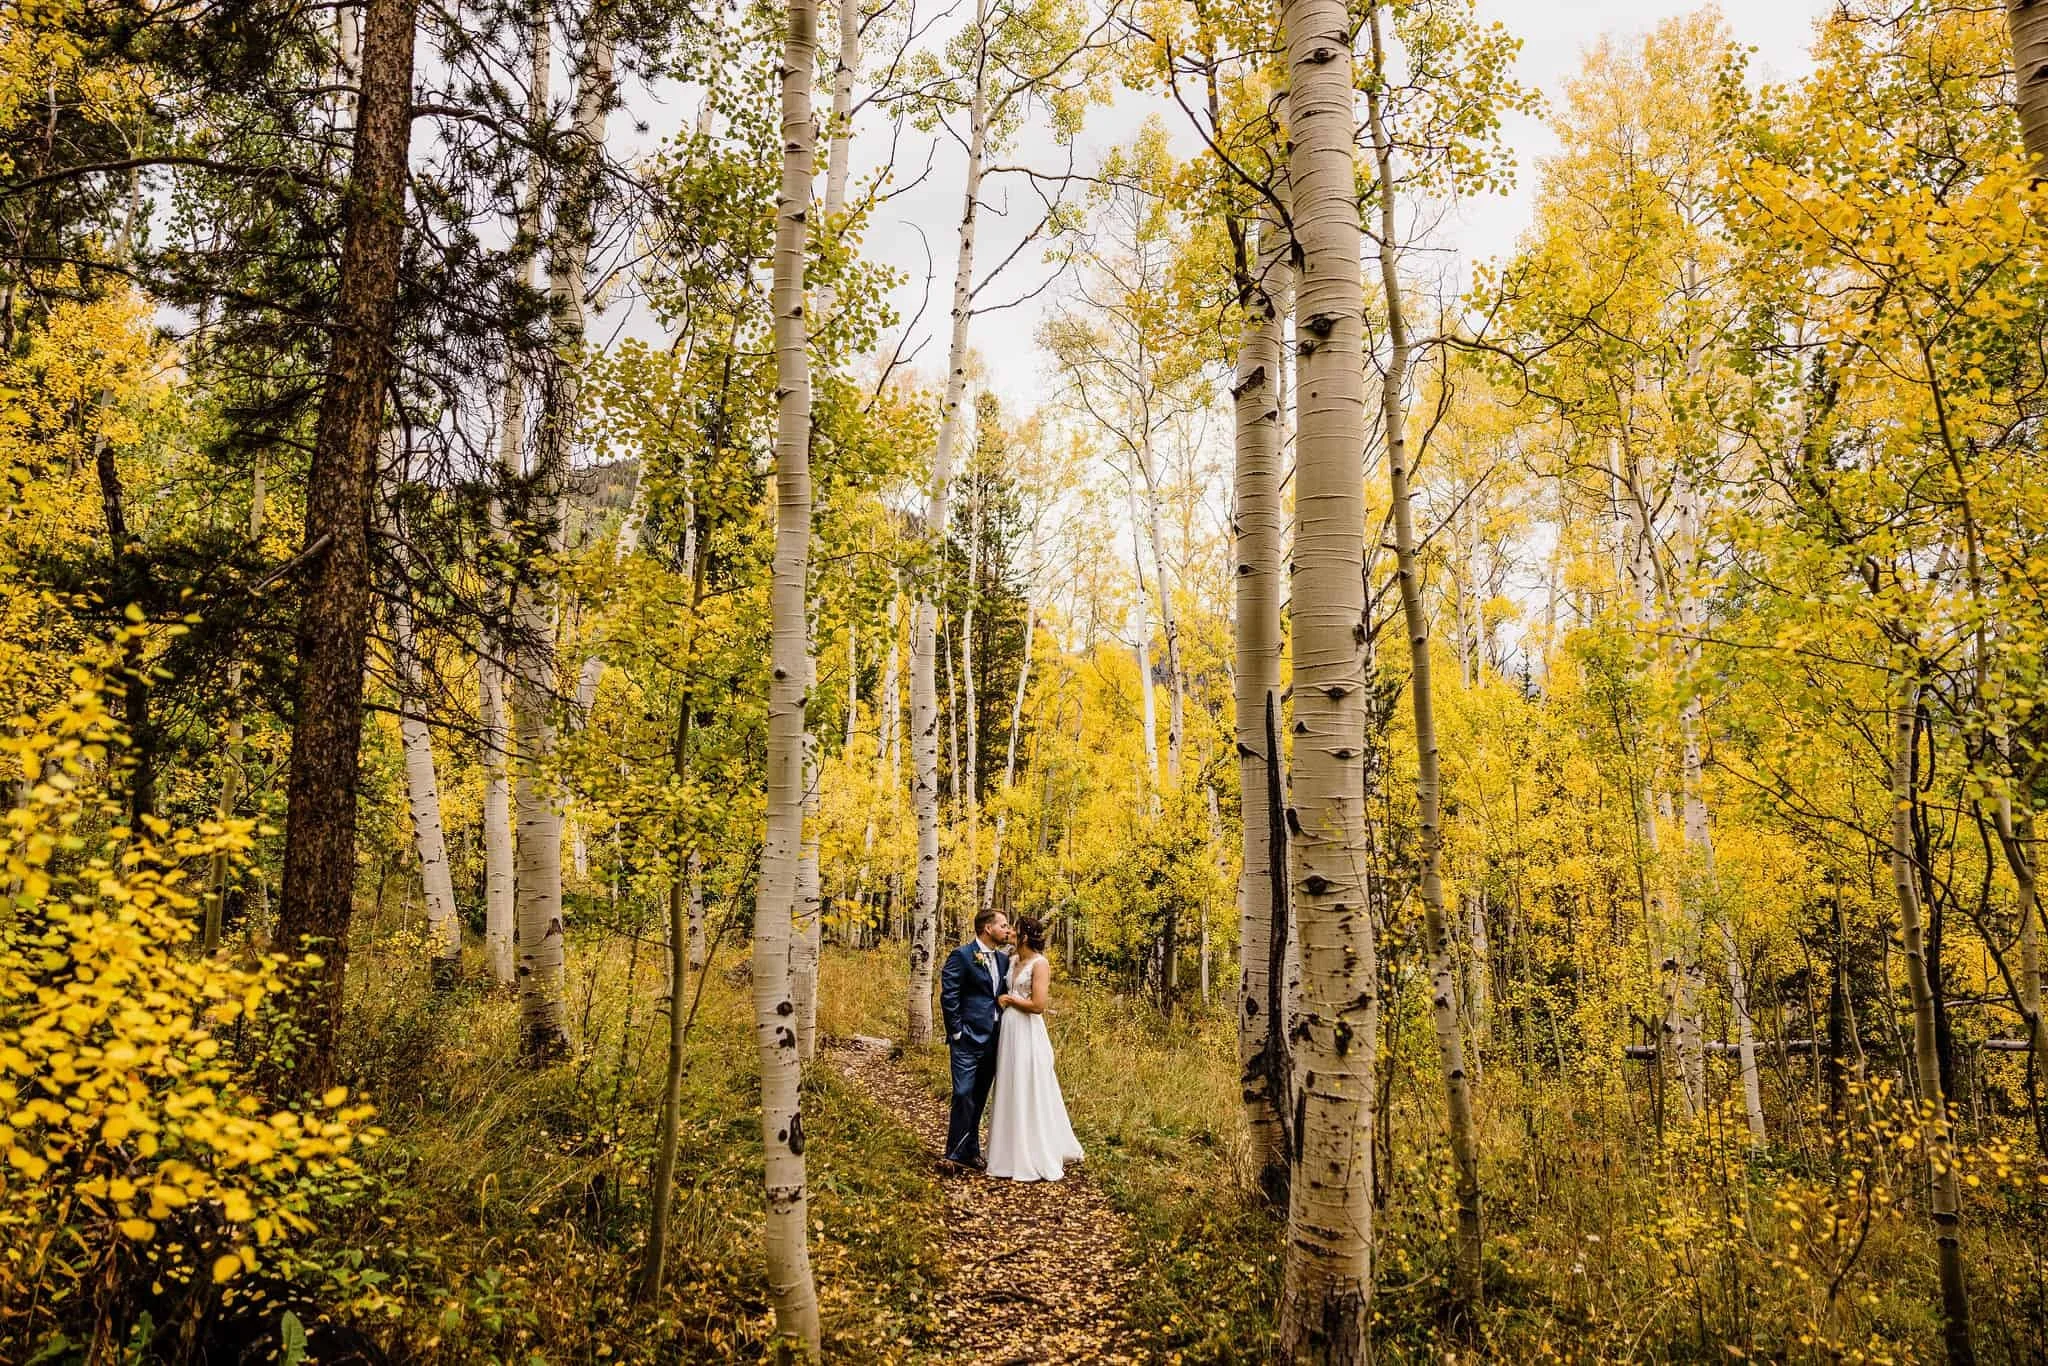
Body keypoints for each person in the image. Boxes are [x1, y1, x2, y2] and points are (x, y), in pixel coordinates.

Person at [984, 913, 1084, 1182]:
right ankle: (1007, 1151)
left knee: (1029, 1084)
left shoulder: (1040, 964)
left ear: (1025, 936)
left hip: (1027, 1030)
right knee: (1009, 1084)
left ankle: (1033, 1150)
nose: (1010, 934)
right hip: (1009, 1030)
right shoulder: (1013, 959)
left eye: (1014, 931)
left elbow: (1039, 1006)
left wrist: (1010, 999)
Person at [938, 908, 1011, 1173]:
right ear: (987, 928)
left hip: (994, 1039)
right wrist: (957, 1031)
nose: (1007, 929)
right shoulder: (962, 956)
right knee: (962, 1093)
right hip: (967, 1038)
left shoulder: (1004, 961)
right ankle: (954, 1154)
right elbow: (950, 995)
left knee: (979, 1096)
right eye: (1003, 925)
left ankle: (971, 1152)